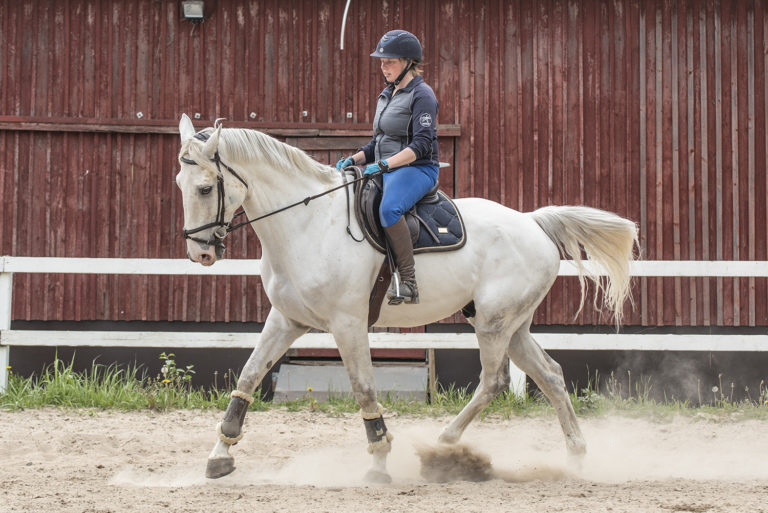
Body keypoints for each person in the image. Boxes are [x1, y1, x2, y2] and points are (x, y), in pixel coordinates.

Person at [336, 29, 439, 305]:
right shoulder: (387, 95)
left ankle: (408, 281)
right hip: (388, 167)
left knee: (389, 208)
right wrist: (355, 159)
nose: (383, 67)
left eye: (389, 61)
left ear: (408, 62)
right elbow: (378, 142)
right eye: (381, 62)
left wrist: (384, 165)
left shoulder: (423, 95)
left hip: (419, 169)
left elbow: (421, 146)